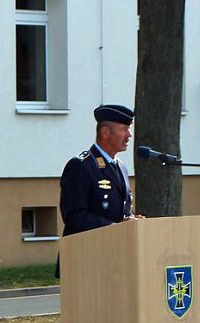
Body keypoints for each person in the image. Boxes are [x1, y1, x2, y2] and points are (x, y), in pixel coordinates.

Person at [56, 104, 142, 276]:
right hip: (85, 258)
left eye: (129, 129)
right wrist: (115, 227)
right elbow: (74, 215)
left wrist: (132, 219)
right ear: (105, 132)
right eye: (124, 129)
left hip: (114, 259)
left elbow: (120, 209)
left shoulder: (121, 168)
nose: (129, 135)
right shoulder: (81, 166)